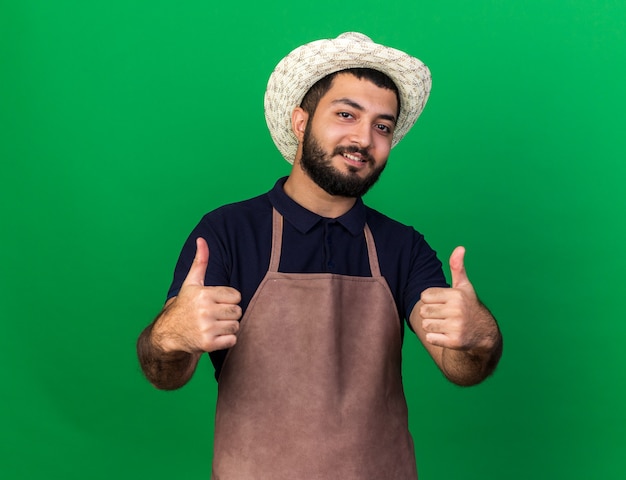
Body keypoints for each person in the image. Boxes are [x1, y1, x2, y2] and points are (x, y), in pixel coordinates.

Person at [137, 32, 503, 479]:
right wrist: (170, 335)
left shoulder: (402, 247)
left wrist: (479, 335)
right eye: (346, 114)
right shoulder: (228, 233)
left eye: (382, 126)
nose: (363, 138)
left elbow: (460, 368)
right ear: (300, 122)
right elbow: (166, 373)